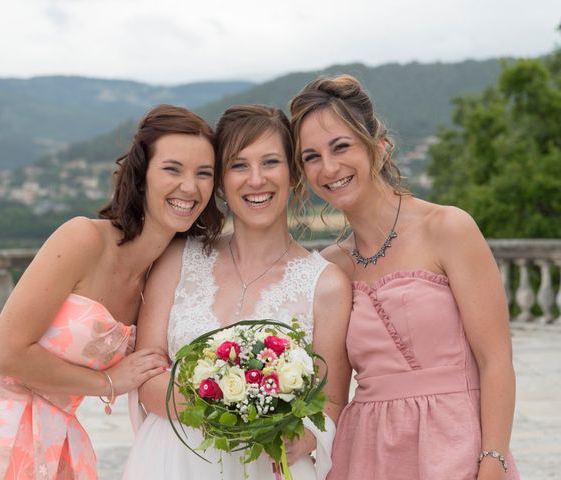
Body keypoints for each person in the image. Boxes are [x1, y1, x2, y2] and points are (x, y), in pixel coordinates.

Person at [0, 104, 223, 480]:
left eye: (204, 174)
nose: (189, 187)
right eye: (172, 169)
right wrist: (108, 383)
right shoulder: (82, 239)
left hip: (55, 438)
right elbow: (3, 353)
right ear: (142, 176)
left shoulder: (164, 275)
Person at [289, 75, 520, 480]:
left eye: (341, 146)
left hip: (456, 448)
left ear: (378, 146)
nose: (329, 167)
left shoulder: (448, 228)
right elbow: (333, 396)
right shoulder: (330, 267)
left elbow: (496, 359)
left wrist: (493, 460)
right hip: (365, 455)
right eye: (311, 156)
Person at [121, 104, 351, 480]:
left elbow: (333, 403)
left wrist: (306, 439)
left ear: (293, 174)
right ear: (221, 182)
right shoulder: (178, 260)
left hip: (269, 466)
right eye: (239, 165)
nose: (256, 179)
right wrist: (231, 403)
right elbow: (147, 376)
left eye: (271, 162)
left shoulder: (326, 284)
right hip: (174, 462)